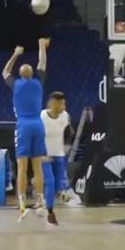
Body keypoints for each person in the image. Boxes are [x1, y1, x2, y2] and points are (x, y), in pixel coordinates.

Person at [2, 38, 50, 222]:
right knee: (37, 165)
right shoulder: (38, 83)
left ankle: (21, 201)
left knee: (22, 166)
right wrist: (41, 46)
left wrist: (15, 53)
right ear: (32, 74)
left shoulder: (16, 85)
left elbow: (5, 72)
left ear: (21, 75)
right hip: (38, 124)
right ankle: (40, 200)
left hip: (23, 125)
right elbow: (43, 63)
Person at [40, 91, 73, 226]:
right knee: (50, 182)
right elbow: (36, 136)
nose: (64, 106)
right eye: (62, 104)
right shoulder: (42, 116)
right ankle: (50, 212)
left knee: (58, 186)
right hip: (45, 156)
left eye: (65, 103)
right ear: (54, 103)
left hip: (59, 155)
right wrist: (40, 153)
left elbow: (69, 132)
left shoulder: (66, 116)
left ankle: (47, 197)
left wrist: (67, 145)